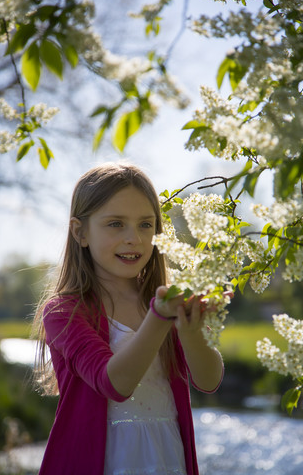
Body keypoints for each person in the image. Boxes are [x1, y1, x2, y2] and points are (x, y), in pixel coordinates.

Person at [32, 162, 224, 475]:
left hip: (167, 458)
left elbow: (209, 380)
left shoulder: (164, 301)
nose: (133, 237)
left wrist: (190, 331)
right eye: (116, 224)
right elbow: (115, 383)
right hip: (103, 462)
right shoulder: (64, 312)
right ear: (80, 232)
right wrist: (159, 318)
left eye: (146, 225)